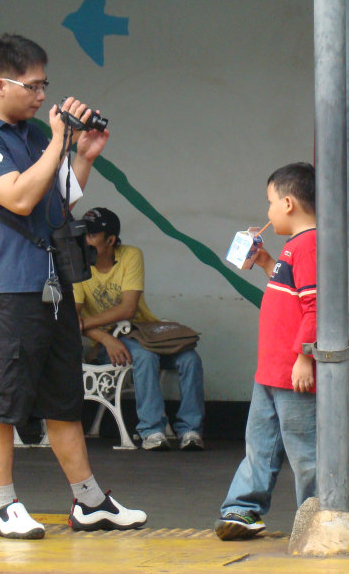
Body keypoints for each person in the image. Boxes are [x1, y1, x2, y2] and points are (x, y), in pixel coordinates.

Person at [0, 33, 146, 540]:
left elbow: (55, 202)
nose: (42, 96)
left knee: (63, 398)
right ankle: (2, 505)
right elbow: (18, 198)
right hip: (5, 288)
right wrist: (59, 141)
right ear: (0, 84)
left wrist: (84, 156)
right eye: (33, 86)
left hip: (52, 284)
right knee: (1, 400)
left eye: (45, 85)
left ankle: (90, 501)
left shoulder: (35, 134)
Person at [213, 162, 317, 541]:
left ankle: (318, 514)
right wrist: (266, 262)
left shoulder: (309, 246)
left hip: (293, 373)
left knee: (305, 452)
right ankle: (242, 509)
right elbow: (291, 289)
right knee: (259, 445)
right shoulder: (295, 247)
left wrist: (305, 356)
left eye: (270, 202)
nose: (268, 211)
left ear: (288, 204)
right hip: (272, 372)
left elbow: (316, 306)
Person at [73, 207, 206, 451]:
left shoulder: (130, 255)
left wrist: (83, 325)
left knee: (190, 359)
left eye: (91, 235)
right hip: (111, 344)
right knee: (144, 357)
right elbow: (72, 317)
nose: (85, 241)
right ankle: (152, 431)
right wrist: (104, 338)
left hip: (144, 332)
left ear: (110, 240)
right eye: (84, 235)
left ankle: (190, 430)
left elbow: (128, 309)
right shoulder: (78, 266)